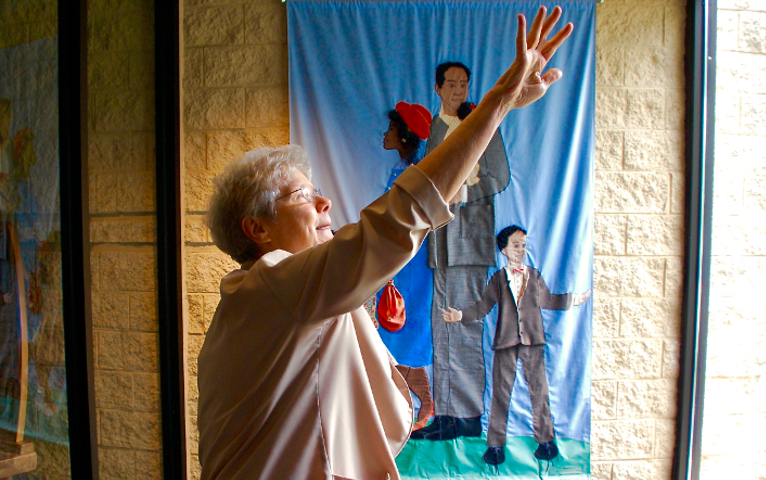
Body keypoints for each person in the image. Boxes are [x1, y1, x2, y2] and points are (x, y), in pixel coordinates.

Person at [197, 7, 573, 479]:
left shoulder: (282, 295)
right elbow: (404, 215)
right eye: (302, 196)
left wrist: (496, 115)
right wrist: (497, 101)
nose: (325, 202)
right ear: (258, 230)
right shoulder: (272, 284)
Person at [411, 60, 511, 441]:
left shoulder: (484, 123)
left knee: (465, 326)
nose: (458, 90)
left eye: (463, 84)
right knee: (443, 327)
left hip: (470, 238)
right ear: (437, 88)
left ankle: (467, 416)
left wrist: (464, 193)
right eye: (450, 84)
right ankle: (446, 413)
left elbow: (499, 177)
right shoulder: (434, 129)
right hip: (440, 240)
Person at [442, 225, 591, 466]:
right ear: (504, 250)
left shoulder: (534, 275)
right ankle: (495, 447)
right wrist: (459, 315)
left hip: (533, 341)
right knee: (501, 394)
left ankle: (545, 442)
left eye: (523, 245)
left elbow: (548, 300)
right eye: (515, 245)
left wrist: (574, 300)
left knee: (539, 392)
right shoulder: (498, 279)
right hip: (506, 342)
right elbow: (483, 306)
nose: (521, 250)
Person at [378, 101, 435, 429]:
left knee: (402, 334)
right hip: (403, 264)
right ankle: (420, 408)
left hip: (410, 267)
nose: (385, 135)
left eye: (391, 129)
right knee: (399, 336)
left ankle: (419, 409)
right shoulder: (404, 169)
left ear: (404, 136)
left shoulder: (412, 173)